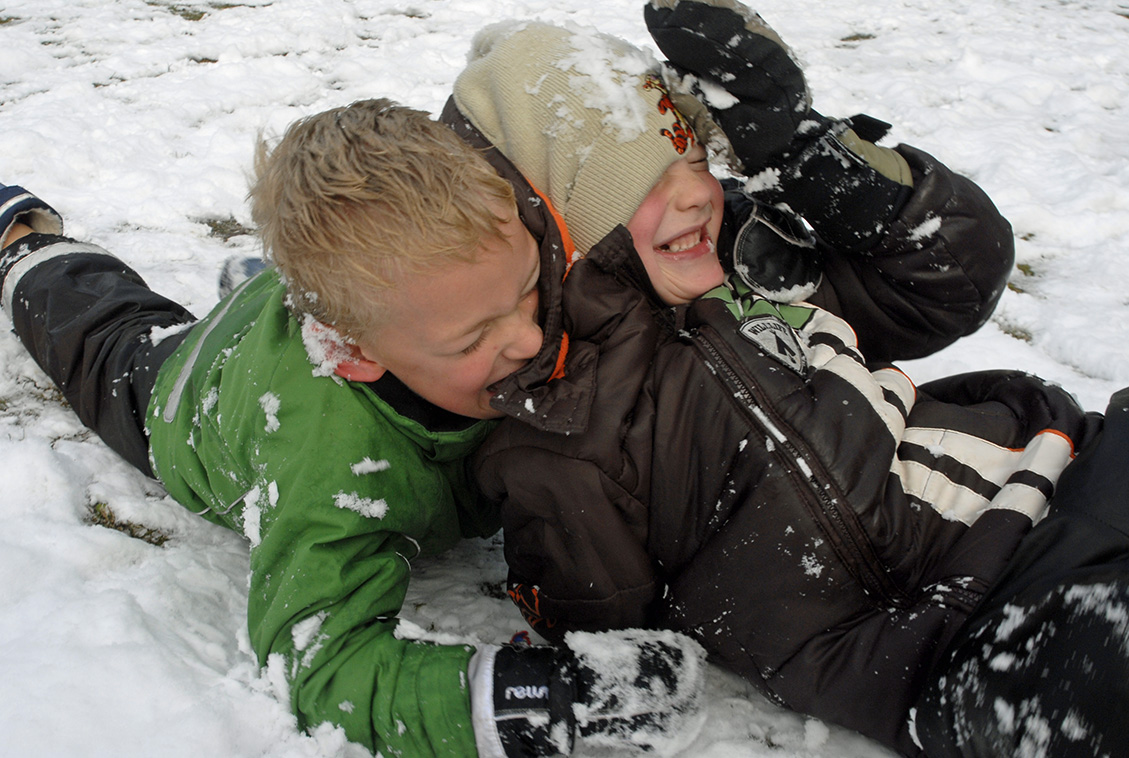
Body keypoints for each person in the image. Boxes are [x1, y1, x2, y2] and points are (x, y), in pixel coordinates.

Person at [454, 5, 1129, 757]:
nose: (696, 194)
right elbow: (598, 616)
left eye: (695, 160)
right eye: (637, 180)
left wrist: (810, 156)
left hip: (1079, 459)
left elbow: (951, 282)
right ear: (550, 221)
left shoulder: (751, 259)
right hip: (975, 626)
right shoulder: (568, 424)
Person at [0, 101, 709, 758]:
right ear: (353, 352)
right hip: (182, 395)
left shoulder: (453, 284)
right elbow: (318, 663)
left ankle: (279, 287)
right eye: (473, 339)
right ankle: (25, 250)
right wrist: (539, 695)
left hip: (315, 320)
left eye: (528, 289)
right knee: (102, 332)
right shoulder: (329, 462)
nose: (528, 338)